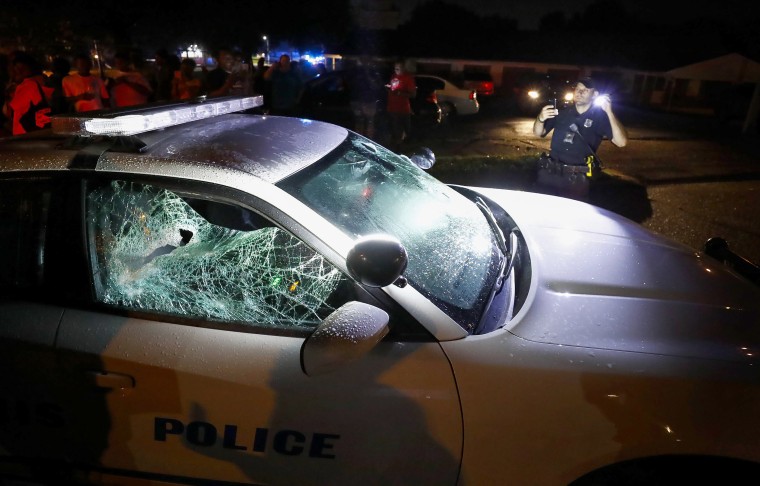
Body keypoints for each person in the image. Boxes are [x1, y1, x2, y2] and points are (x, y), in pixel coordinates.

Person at [532, 76, 628, 200]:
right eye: (577, 88)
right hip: (549, 173)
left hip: (576, 179)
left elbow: (621, 142)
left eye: (586, 89)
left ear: (595, 94)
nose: (580, 92)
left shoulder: (600, 118)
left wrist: (609, 112)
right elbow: (538, 133)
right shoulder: (561, 112)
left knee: (571, 216)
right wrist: (540, 118)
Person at [5, 52, 54, 135]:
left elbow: (10, 111)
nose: (15, 71)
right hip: (39, 134)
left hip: (25, 136)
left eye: (19, 69)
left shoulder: (28, 85)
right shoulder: (42, 82)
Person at [385, 60, 416, 152]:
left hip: (403, 108)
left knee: (406, 129)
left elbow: (413, 94)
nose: (396, 70)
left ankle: (405, 147)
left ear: (403, 68)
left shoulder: (408, 78)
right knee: (395, 129)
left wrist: (399, 93)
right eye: (395, 68)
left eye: (398, 68)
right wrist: (388, 88)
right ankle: (397, 147)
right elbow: (392, 88)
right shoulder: (393, 76)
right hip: (392, 107)